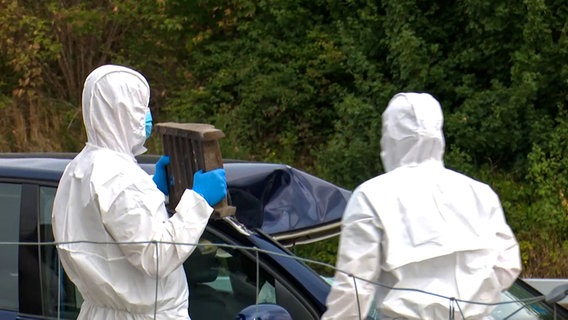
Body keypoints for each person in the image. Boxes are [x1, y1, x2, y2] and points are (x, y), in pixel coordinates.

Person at [321, 92, 522, 320]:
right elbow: (508, 265)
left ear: (391, 135)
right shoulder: (479, 193)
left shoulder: (372, 195)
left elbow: (354, 288)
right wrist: (475, 297)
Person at [52, 64, 227, 319]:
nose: (147, 115)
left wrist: (153, 191)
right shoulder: (120, 178)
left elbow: (115, 226)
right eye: (140, 108)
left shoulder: (80, 167)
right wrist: (198, 201)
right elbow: (158, 255)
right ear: (121, 112)